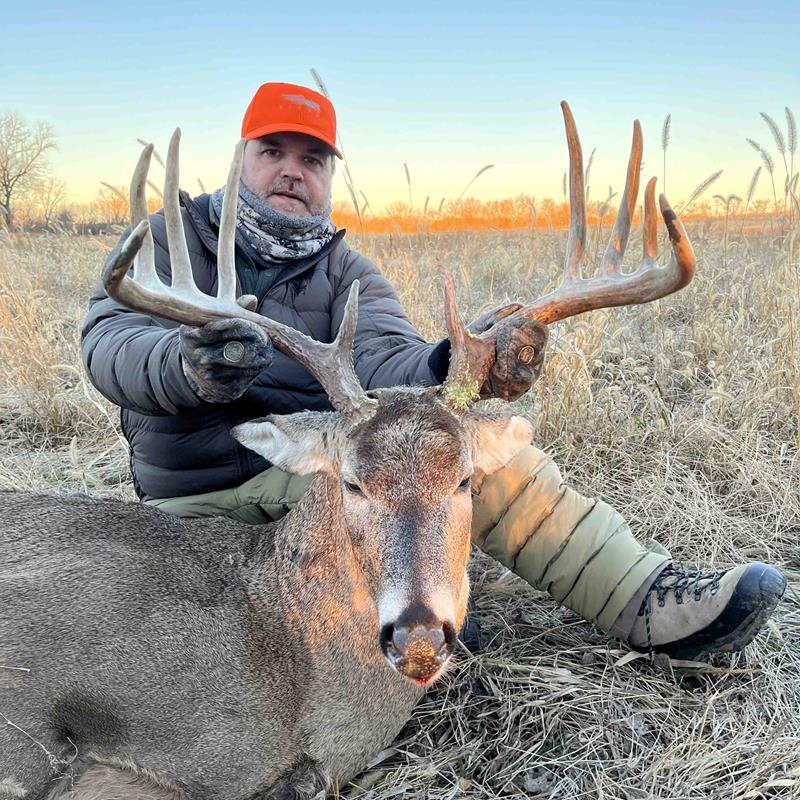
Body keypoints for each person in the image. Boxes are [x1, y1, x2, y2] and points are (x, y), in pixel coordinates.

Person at [81, 81, 785, 659]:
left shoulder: (348, 273)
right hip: (196, 505)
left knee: (461, 457)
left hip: (316, 477)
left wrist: (461, 364)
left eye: (313, 158)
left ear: (330, 175)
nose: (292, 171)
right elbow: (108, 346)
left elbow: (391, 360)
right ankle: (413, 618)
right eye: (273, 152)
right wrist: (187, 366)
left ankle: (646, 599)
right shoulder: (170, 245)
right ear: (241, 159)